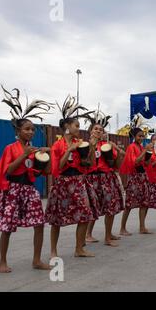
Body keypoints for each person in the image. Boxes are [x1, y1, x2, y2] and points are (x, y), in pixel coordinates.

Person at [0, 86, 53, 273]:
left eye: (33, 129)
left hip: (29, 189)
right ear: (18, 131)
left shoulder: (34, 150)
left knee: (39, 224)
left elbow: (44, 172)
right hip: (13, 189)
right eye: (27, 129)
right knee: (7, 227)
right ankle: (2, 261)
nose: (31, 132)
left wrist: (45, 156)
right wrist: (24, 154)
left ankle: (36, 260)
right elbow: (8, 170)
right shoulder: (11, 148)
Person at [45, 96, 97, 258]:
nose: (78, 128)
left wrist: (91, 147)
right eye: (76, 125)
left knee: (85, 214)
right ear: (67, 126)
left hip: (79, 181)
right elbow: (57, 168)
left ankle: (79, 249)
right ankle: (53, 251)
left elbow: (89, 163)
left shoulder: (80, 142)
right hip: (63, 183)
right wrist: (69, 150)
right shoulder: (58, 145)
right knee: (57, 218)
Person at [83, 109, 126, 246]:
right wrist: (92, 145)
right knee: (93, 208)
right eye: (95, 129)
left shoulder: (107, 146)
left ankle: (108, 236)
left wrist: (118, 152)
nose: (98, 131)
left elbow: (117, 165)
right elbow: (85, 163)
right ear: (90, 131)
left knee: (110, 207)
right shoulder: (85, 145)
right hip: (92, 179)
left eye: (101, 129)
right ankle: (88, 234)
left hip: (107, 177)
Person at [119, 126, 154, 235]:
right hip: (134, 178)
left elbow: (146, 164)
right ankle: (122, 228)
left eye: (143, 136)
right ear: (134, 136)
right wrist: (145, 151)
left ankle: (142, 227)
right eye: (139, 136)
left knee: (144, 203)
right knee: (129, 204)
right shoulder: (131, 147)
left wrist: (148, 155)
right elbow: (135, 162)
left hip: (142, 177)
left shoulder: (141, 147)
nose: (141, 138)